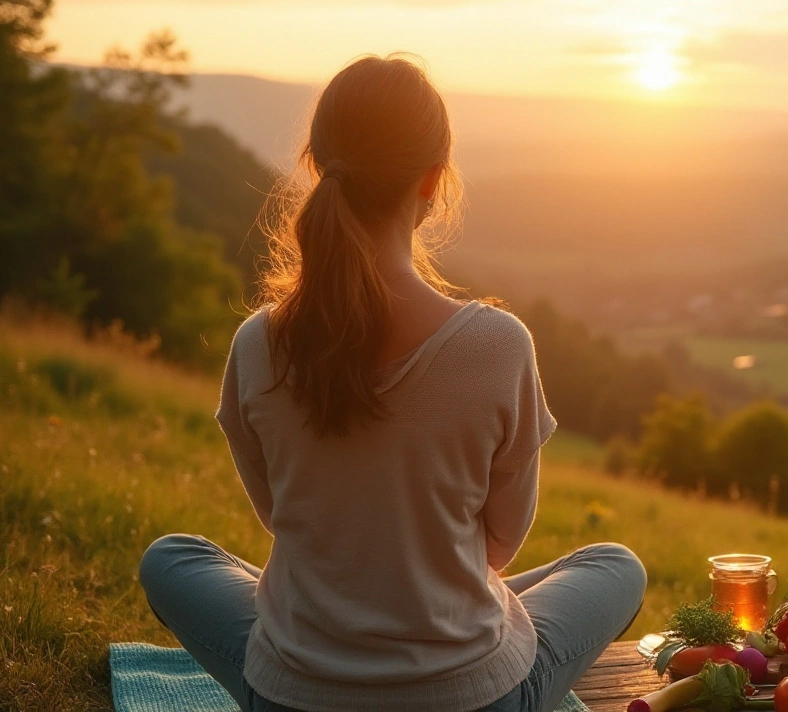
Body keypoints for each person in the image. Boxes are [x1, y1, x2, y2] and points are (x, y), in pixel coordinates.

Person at [138, 54, 647, 712]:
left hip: (296, 697)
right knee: (614, 567)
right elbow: (497, 548)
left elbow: (281, 521)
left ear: (317, 166)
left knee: (171, 559)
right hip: (471, 699)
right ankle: (440, 622)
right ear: (434, 179)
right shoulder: (498, 346)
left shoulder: (257, 345)